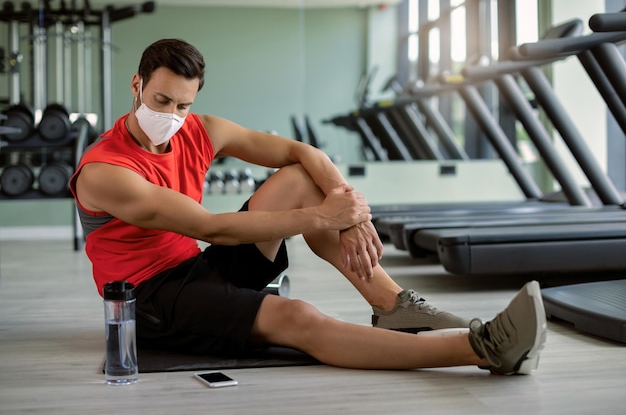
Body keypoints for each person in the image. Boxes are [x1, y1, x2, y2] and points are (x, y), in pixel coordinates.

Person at [70, 38, 547, 375]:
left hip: (198, 270)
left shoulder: (201, 130)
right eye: (161, 101)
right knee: (298, 317)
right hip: (151, 302)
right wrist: (323, 219)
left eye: (183, 105)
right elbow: (214, 227)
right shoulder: (106, 172)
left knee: (299, 179)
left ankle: (393, 305)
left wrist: (352, 213)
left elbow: (305, 154)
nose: (172, 116)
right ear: (136, 85)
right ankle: (482, 349)